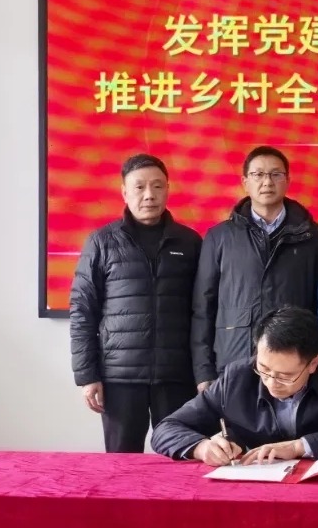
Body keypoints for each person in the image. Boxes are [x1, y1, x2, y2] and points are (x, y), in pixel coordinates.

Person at [69, 154, 202, 453]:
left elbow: (203, 312)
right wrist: (87, 376)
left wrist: (204, 373)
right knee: (121, 465)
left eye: (157, 186)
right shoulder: (102, 242)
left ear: (168, 189)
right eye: (139, 187)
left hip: (177, 376)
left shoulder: (190, 243)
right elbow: (82, 312)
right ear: (124, 192)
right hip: (119, 379)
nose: (149, 195)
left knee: (179, 459)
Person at [151, 306, 318, 465]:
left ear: (314, 363)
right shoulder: (237, 377)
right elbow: (167, 428)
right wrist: (201, 448)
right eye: (264, 370)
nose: (271, 383)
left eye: (285, 376)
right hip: (264, 486)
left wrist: (300, 447)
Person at [191, 145, 318, 394]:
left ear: (287, 181)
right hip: (234, 363)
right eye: (258, 174)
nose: (267, 182)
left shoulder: (316, 238)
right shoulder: (219, 237)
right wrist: (204, 372)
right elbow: (203, 308)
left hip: (293, 367)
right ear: (245, 182)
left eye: (275, 174)